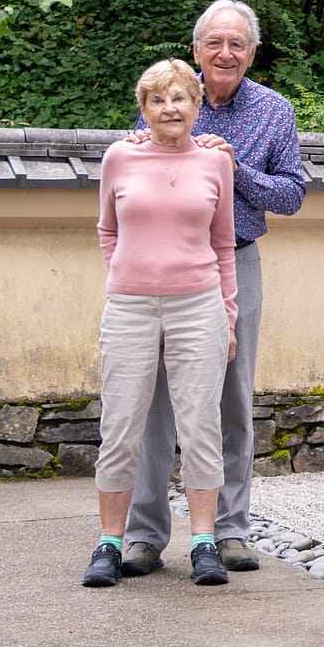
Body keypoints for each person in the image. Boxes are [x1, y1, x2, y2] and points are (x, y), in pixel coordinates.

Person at [119, 0, 308, 577]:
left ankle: (228, 530)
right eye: (214, 43)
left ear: (251, 53)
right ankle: (144, 534)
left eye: (237, 44)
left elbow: (292, 195)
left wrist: (233, 167)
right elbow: (131, 170)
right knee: (152, 401)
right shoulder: (172, 94)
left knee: (231, 397)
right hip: (161, 269)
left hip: (235, 264)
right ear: (198, 48)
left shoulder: (274, 112)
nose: (225, 53)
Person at [85, 60, 239, 587]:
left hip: (199, 306)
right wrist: (132, 275)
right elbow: (108, 231)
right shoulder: (119, 156)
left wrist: (228, 314)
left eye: (180, 99)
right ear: (143, 108)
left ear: (198, 105)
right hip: (129, 307)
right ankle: (108, 543)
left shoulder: (216, 162)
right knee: (120, 426)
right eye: (157, 100)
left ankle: (203, 544)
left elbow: (224, 245)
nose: (169, 108)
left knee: (201, 426)